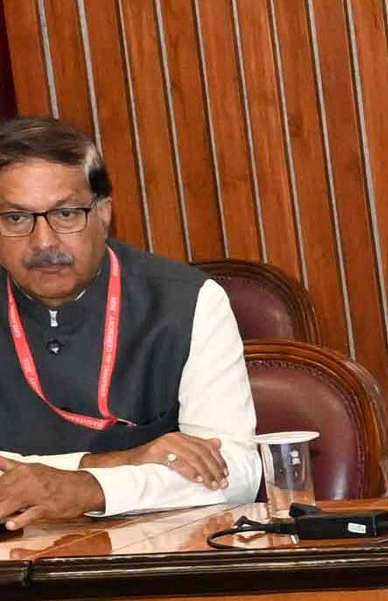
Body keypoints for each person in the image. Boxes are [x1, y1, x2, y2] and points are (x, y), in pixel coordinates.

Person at [0, 117, 257, 525]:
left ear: (104, 213)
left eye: (66, 213)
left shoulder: (187, 302)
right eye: (16, 218)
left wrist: (92, 490)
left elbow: (236, 473)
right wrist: (118, 461)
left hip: (150, 550)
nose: (43, 241)